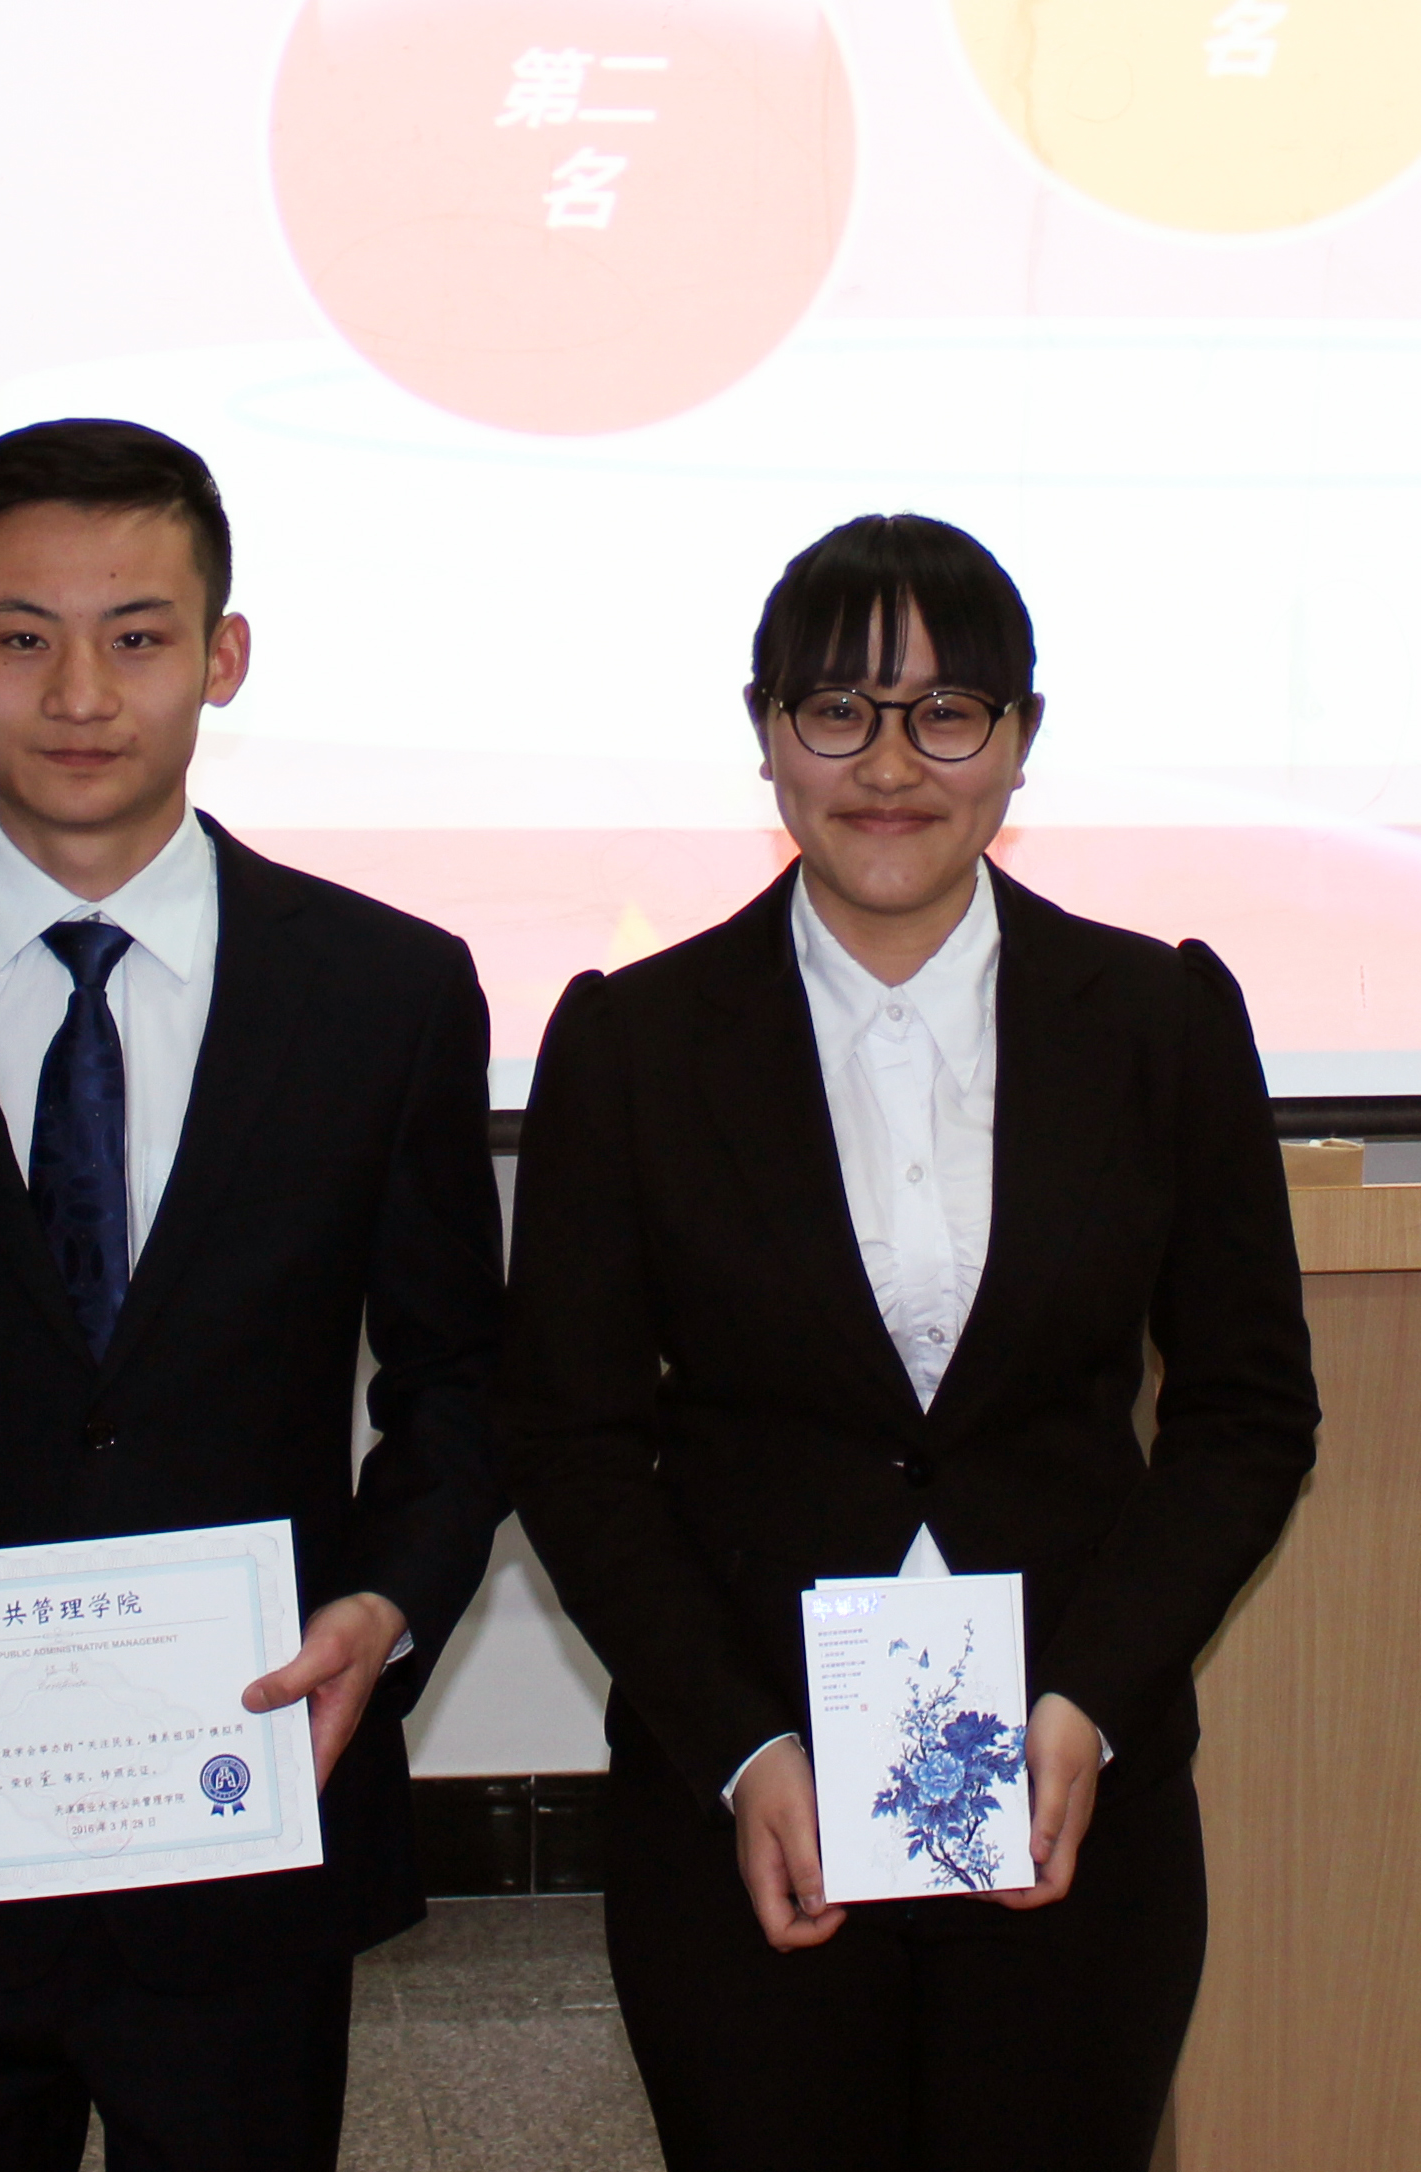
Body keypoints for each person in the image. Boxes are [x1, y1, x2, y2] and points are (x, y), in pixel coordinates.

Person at [0, 418, 508, 2170]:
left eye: (137, 636)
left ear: (223, 655)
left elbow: (458, 1381)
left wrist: (386, 1607)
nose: (78, 693)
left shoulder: (385, 991)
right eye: (20, 636)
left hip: (244, 1811)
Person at [499, 512, 1320, 2170]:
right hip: (749, 1798)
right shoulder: (633, 1042)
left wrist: (1089, 1703)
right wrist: (742, 1746)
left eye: (946, 712)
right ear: (765, 735)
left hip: (1073, 1795)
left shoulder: (1159, 1020)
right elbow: (573, 1445)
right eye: (836, 710)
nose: (889, 765)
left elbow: (1247, 1413)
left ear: (1019, 739)